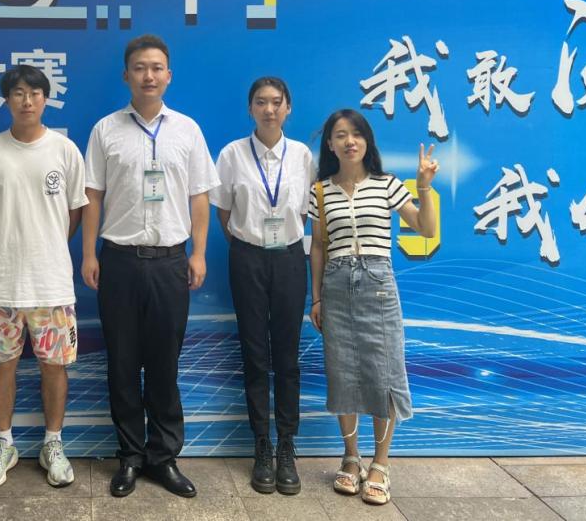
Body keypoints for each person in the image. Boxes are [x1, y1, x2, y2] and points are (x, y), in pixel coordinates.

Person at [82, 34, 219, 498]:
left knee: (164, 365)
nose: (149, 75)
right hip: (118, 262)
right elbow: (92, 196)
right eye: (140, 67)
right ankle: (130, 457)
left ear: (169, 75)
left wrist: (198, 252)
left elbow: (200, 197)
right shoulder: (105, 130)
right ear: (127, 75)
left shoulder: (187, 130)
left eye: (157, 67)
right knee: (122, 365)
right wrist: (88, 253)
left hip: (170, 263)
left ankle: (163, 458)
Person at [0, 64, 88, 489]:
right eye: (18, 93)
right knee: (2, 367)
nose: (27, 100)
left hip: (52, 282)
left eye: (34, 93)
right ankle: (4, 443)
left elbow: (74, 211)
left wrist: (47, 242)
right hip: (0, 281)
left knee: (55, 367)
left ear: (46, 99)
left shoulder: (64, 150)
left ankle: (53, 443)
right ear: (6, 99)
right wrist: (7, 236)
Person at [308, 108, 437, 506]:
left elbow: (426, 228)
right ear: (330, 145)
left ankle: (380, 464)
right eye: (340, 135)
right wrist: (316, 298)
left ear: (367, 141)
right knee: (342, 372)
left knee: (383, 372)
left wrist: (423, 187)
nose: (350, 141)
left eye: (357, 134)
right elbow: (318, 246)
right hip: (335, 284)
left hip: (378, 284)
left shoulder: (387, 185)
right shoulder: (320, 191)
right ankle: (351, 458)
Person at [211, 76, 313, 495]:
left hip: (289, 258)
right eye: (260, 102)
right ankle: (261, 446)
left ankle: (287, 445)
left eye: (276, 102)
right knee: (254, 354)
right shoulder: (232, 154)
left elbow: (304, 212)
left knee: (287, 357)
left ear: (288, 108)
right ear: (250, 108)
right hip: (247, 257)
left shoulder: (302, 155)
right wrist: (248, 243)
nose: (269, 109)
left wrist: (280, 241)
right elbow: (223, 212)